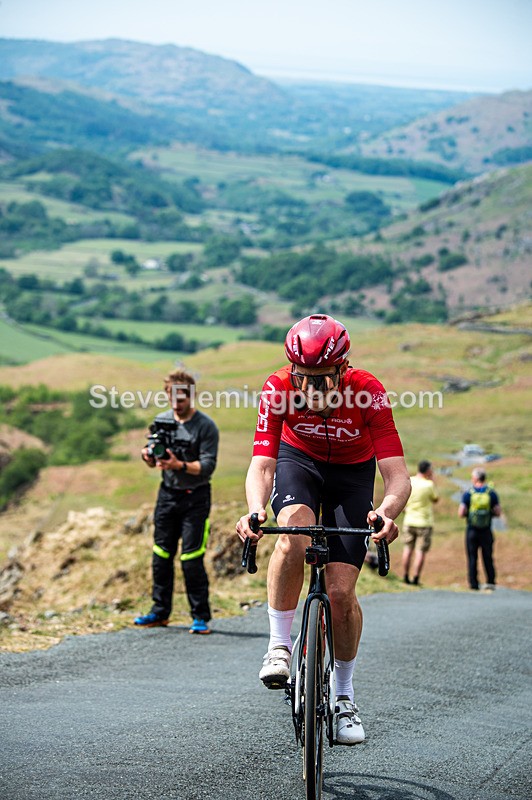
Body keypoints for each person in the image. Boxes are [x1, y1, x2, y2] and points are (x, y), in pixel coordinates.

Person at [236, 314, 410, 745]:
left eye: (321, 378)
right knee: (294, 530)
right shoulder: (277, 388)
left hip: (352, 475)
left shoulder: (368, 391)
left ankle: (344, 695)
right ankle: (279, 646)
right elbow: (262, 463)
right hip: (300, 463)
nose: (309, 387)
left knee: (339, 592)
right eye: (302, 377)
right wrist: (255, 509)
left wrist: (387, 511)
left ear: (342, 369)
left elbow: (397, 475)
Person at [134, 370, 219, 633]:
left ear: (191, 397)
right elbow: (154, 455)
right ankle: (159, 612)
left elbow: (207, 467)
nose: (176, 403)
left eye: (181, 397)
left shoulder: (206, 427)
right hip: (167, 495)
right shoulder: (161, 421)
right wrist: (148, 457)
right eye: (171, 396)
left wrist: (178, 464)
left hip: (196, 497)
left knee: (191, 557)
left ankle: (201, 617)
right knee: (161, 555)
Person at [458, 468, 501, 591]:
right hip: (486, 530)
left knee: (472, 557)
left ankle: (473, 583)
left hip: (472, 530)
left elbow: (461, 513)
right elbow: (498, 512)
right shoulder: (491, 493)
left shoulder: (468, 493)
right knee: (487, 556)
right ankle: (491, 581)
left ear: (475, 478)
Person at [401, 460, 438, 585]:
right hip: (424, 522)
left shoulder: (410, 481)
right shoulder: (429, 485)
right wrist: (432, 480)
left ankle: (405, 576)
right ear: (428, 470)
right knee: (420, 552)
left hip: (409, 520)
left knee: (407, 549)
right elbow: (435, 499)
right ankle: (416, 578)